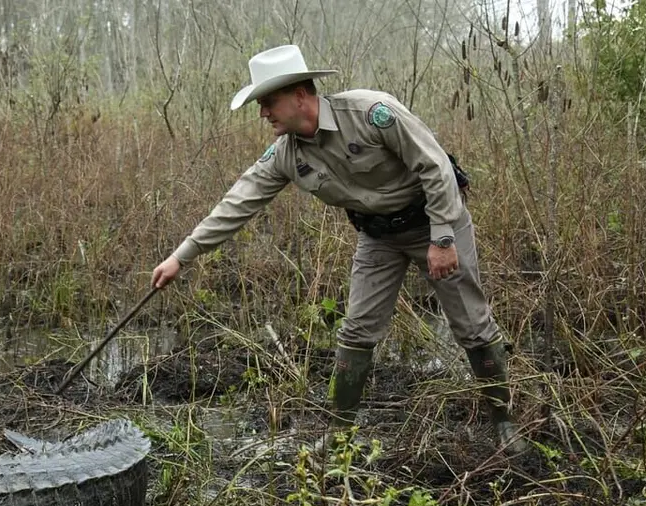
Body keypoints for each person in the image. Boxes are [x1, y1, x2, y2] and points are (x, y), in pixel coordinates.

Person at [150, 44, 523, 452]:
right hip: (378, 238)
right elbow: (236, 203)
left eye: (268, 102)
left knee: (471, 324)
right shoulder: (286, 155)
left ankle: (504, 422)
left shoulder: (371, 113)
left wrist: (443, 239)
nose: (263, 113)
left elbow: (434, 167)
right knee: (357, 330)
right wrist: (180, 256)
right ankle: (341, 432)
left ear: (299, 95)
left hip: (435, 221)